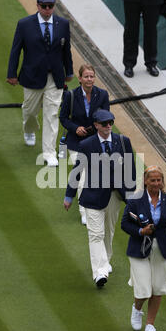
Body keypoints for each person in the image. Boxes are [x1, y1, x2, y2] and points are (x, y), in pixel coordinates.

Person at [64, 109, 136, 288]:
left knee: (108, 232)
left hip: (115, 195)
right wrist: (69, 195)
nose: (108, 126)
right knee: (95, 234)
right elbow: (77, 171)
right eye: (104, 123)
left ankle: (105, 261)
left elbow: (131, 170)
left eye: (111, 122)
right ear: (96, 125)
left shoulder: (123, 142)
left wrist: (131, 195)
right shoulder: (87, 144)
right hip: (93, 197)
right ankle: (100, 272)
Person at [121, 165, 166, 331]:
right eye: (152, 180)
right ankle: (137, 310)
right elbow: (125, 224)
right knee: (144, 289)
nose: (156, 183)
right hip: (139, 249)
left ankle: (150, 325)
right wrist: (140, 232)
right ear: (145, 181)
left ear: (162, 182)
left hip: (164, 249)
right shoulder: (135, 200)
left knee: (158, 288)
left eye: (159, 180)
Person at [7, 0, 73, 166]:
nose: (47, 9)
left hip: (55, 77)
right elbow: (16, 50)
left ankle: (49, 153)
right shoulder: (24, 24)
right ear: (37, 6)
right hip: (32, 75)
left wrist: (70, 72)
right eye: (44, 6)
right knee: (29, 111)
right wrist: (11, 73)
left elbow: (66, 50)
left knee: (51, 114)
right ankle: (29, 129)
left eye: (50, 6)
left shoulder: (63, 24)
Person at [59, 64, 110, 225]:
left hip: (95, 142)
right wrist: (76, 128)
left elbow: (106, 117)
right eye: (86, 76)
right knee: (82, 175)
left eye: (92, 76)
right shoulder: (70, 96)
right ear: (80, 79)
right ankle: (84, 211)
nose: (89, 79)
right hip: (75, 142)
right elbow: (63, 118)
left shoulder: (102, 95)